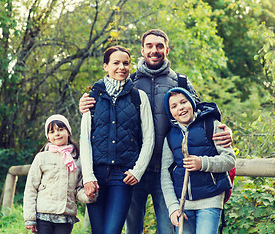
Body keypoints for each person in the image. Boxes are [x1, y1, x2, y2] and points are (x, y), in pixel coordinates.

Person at [79, 29, 233, 234]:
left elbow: (201, 113)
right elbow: (105, 117)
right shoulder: (128, 82)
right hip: (132, 170)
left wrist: (224, 128)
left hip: (168, 171)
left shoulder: (181, 82)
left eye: (159, 46)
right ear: (142, 50)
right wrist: (85, 104)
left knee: (167, 228)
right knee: (132, 228)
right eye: (149, 46)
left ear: (167, 49)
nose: (154, 50)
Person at [79, 45, 154, 234]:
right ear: (105, 66)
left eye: (126, 63)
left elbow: (149, 138)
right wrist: (87, 177)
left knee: (112, 231)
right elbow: (85, 139)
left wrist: (137, 171)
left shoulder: (139, 97)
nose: (122, 67)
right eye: (116, 63)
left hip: (122, 176)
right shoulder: (92, 97)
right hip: (96, 175)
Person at [161, 87, 236, 234]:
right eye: (174, 106)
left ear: (192, 103)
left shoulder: (211, 125)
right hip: (183, 204)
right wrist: (173, 207)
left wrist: (203, 163)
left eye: (184, 102)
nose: (180, 108)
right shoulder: (170, 137)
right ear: (170, 113)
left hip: (211, 199)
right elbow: (165, 174)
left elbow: (229, 160)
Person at [23, 114, 94, 234]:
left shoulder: (78, 160)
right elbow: (31, 188)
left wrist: (89, 195)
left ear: (68, 132)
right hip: (43, 215)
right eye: (52, 131)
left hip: (65, 216)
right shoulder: (42, 158)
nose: (57, 134)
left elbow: (77, 190)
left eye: (61, 129)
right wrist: (30, 218)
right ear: (48, 136)